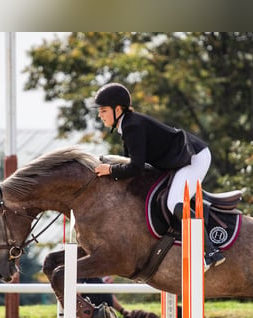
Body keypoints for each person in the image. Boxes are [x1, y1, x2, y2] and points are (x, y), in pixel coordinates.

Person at [92, 82, 225, 270]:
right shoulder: (128, 125)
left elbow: (136, 168)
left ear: (118, 109)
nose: (100, 115)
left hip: (194, 158)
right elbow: (133, 165)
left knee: (174, 202)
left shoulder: (132, 126)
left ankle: (210, 251)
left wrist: (111, 170)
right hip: (180, 160)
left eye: (103, 110)